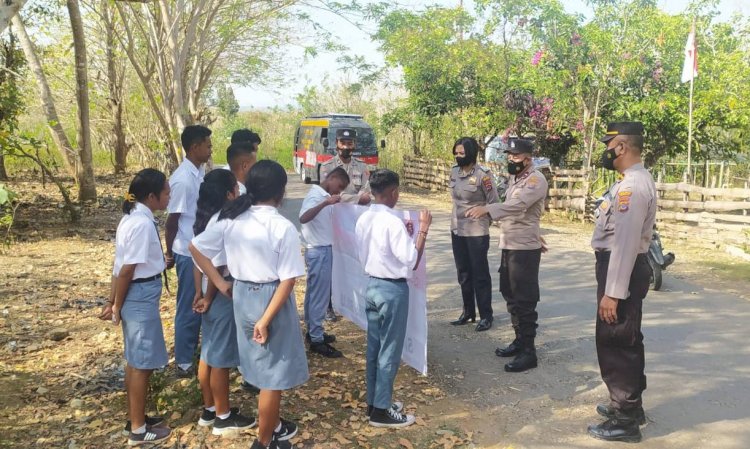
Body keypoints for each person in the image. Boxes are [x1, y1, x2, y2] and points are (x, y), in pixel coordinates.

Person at [190, 160, 307, 449]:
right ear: (281, 191)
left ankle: (274, 425)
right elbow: (288, 280)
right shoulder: (281, 226)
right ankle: (265, 441)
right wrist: (265, 320)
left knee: (259, 366)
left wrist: (218, 282)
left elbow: (195, 247)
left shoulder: (233, 217)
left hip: (242, 294)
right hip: (269, 298)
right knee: (272, 377)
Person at [587, 122, 655, 443]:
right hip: (622, 266)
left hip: (621, 268)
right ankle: (629, 406)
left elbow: (625, 242)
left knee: (616, 340)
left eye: (609, 144)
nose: (606, 150)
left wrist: (613, 292)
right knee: (626, 336)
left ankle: (625, 419)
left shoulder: (631, 187)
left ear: (623, 147)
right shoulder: (630, 181)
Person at [98, 169, 172, 446]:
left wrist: (112, 300)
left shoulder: (132, 218)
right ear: (151, 196)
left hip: (137, 292)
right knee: (141, 364)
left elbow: (120, 266)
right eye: (166, 192)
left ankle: (136, 416)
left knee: (135, 359)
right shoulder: (141, 224)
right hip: (139, 295)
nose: (169, 196)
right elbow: (127, 269)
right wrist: (116, 304)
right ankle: (138, 430)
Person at [355, 169, 432, 428]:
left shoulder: (364, 218)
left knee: (375, 348)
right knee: (389, 349)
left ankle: (375, 401)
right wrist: (422, 231)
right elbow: (411, 260)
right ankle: (381, 410)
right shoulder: (391, 222)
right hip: (392, 289)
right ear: (394, 193)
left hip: (373, 286)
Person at [466, 138, 548, 373]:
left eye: (515, 156)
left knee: (524, 299)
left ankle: (528, 352)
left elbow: (518, 206)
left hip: (524, 249)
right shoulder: (516, 178)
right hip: (510, 244)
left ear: (528, 158)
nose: (510, 159)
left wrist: (488, 209)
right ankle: (519, 340)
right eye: (509, 155)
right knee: (509, 293)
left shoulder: (535, 179)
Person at [190, 169, 256, 435]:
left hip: (209, 292)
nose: (239, 193)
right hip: (219, 295)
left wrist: (200, 291)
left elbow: (199, 259)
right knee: (219, 358)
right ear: (229, 194)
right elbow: (207, 258)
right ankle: (223, 417)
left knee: (209, 352)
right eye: (236, 189)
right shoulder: (223, 221)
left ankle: (210, 408)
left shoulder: (210, 218)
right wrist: (212, 291)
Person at [165, 125, 212, 378]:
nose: (210, 149)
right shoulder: (182, 180)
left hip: (201, 250)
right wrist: (169, 253)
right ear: (194, 147)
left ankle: (196, 354)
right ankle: (183, 362)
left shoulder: (199, 171)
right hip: (186, 252)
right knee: (189, 306)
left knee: (203, 302)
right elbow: (172, 221)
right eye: (207, 145)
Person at [448, 137, 500, 332]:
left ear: (471, 154)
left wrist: (485, 219)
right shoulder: (454, 171)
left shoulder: (483, 176)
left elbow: (494, 203)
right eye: (456, 152)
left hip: (476, 231)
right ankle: (468, 312)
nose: (458, 156)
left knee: (480, 275)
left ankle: (486, 315)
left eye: (462, 153)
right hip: (457, 228)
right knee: (463, 273)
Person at [299, 167, 350, 358]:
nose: (338, 192)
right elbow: (303, 217)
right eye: (339, 187)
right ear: (332, 178)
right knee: (319, 296)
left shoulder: (322, 195)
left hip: (320, 250)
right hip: (319, 251)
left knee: (314, 294)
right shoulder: (317, 196)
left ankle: (314, 332)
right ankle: (316, 339)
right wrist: (325, 203)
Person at [319, 128, 371, 205]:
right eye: (342, 143)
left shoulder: (362, 166)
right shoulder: (327, 167)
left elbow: (366, 191)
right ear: (336, 143)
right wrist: (357, 199)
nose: (346, 147)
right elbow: (328, 194)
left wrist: (359, 199)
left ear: (355, 145)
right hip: (336, 211)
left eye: (350, 144)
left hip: (356, 211)